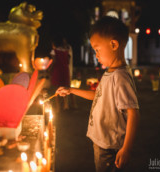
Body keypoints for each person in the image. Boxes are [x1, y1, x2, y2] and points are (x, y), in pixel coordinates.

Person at [56, 16, 140, 172]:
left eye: (97, 49)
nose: (96, 55)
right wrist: (71, 90)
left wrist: (126, 149)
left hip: (110, 147)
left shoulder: (120, 78)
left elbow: (133, 113)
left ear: (113, 44)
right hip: (102, 142)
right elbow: (98, 96)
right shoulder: (110, 73)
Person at [50, 36, 71, 111]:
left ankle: (58, 107)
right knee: (65, 87)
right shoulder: (66, 51)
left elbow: (54, 61)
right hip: (65, 70)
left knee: (56, 88)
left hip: (57, 70)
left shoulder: (54, 51)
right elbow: (68, 61)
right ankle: (66, 105)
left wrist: (50, 69)